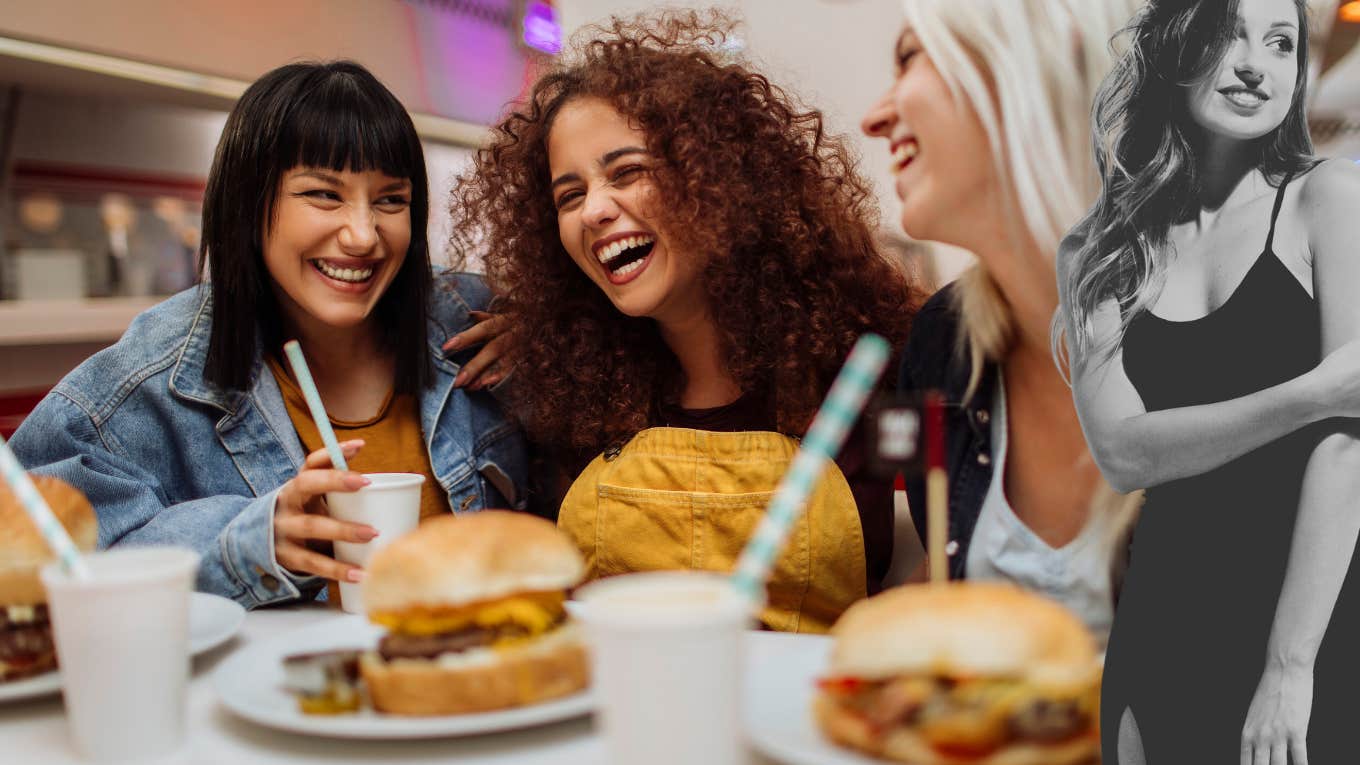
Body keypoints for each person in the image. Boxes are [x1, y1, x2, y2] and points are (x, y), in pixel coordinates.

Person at [449, 11, 920, 633]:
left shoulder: (871, 369)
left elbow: (936, 551)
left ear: (718, 180)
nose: (593, 209)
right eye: (569, 195)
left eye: (628, 172)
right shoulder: (566, 390)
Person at [11, 61, 527, 609]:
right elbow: (40, 542)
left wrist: (560, 334)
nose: (362, 235)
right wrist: (248, 541)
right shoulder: (156, 372)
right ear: (248, 203)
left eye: (390, 200)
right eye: (324, 195)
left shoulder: (472, 321)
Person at [1057, 0, 1360, 761]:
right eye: (1230, 36)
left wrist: (1290, 665)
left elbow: (1348, 448)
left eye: (1283, 43)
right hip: (1165, 611)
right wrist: (1311, 393)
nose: (1258, 64)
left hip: (1316, 619)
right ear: (1174, 46)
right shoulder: (1096, 251)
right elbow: (1125, 454)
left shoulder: (1330, 203)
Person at [858, 0, 1143, 643]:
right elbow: (948, 579)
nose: (873, 118)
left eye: (910, 58)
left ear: (1035, 61)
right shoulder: (942, 341)